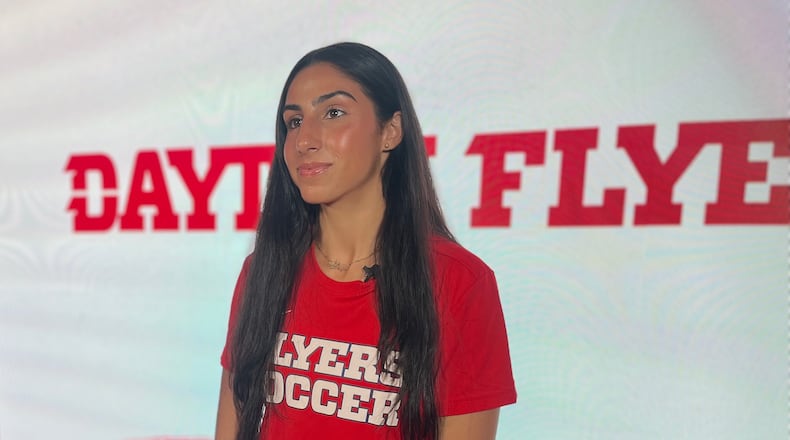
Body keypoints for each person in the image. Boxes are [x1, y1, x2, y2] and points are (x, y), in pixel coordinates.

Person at [215, 42, 516, 440]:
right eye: (293, 121)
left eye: (333, 113)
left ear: (390, 131)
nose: (305, 140)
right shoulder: (263, 271)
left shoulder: (458, 282)